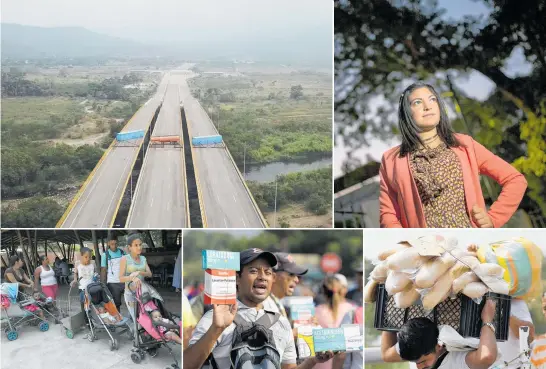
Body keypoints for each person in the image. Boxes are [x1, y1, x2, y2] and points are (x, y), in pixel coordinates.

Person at [379, 82, 527, 228]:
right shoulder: (391, 160)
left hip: (470, 245)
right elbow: (388, 214)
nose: (427, 106)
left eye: (432, 99)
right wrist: (409, 243)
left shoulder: (465, 145)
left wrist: (493, 219)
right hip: (427, 248)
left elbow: (515, 180)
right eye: (417, 102)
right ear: (406, 112)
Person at [184, 248, 337, 369]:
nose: (262, 276)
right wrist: (216, 329)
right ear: (237, 278)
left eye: (268, 272)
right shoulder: (214, 318)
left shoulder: (281, 323)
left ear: (273, 279)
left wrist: (312, 361)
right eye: (253, 271)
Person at [381, 299, 498, 369]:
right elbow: (486, 357)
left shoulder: (416, 343)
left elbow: (387, 354)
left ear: (438, 345)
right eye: (415, 362)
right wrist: (487, 320)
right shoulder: (451, 363)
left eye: (422, 361)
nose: (419, 367)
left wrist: (388, 312)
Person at [315, 275, 356, 369]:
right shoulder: (352, 310)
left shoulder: (315, 311)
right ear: (342, 290)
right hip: (344, 364)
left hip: (320, 363)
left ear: (323, 292)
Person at [119, 234, 152, 322]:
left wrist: (139, 272)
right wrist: (132, 278)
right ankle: (135, 333)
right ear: (129, 247)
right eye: (136, 245)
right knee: (138, 320)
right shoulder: (124, 259)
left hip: (143, 293)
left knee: (147, 317)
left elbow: (149, 274)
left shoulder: (143, 258)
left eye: (140, 244)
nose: (139, 247)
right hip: (130, 294)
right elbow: (121, 278)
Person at [266, 252, 309, 318]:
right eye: (291, 274)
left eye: (297, 275)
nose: (296, 280)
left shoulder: (275, 301)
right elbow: (261, 328)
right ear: (274, 276)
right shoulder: (265, 305)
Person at [100, 235, 126, 312]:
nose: (114, 246)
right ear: (108, 243)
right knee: (116, 303)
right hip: (113, 283)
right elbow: (103, 269)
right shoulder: (105, 255)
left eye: (116, 243)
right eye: (112, 244)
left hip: (123, 281)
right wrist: (102, 283)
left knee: (131, 300)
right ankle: (117, 320)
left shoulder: (122, 252)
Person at [72, 247, 95, 317]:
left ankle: (92, 319)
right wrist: (75, 280)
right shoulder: (77, 263)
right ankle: (87, 321)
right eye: (86, 257)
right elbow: (75, 273)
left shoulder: (93, 263)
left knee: (91, 305)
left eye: (90, 257)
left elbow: (95, 274)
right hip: (82, 288)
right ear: (81, 256)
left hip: (92, 288)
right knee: (84, 306)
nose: (88, 259)